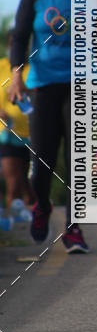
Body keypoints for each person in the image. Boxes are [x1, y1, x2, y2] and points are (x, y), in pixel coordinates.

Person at [9, 0, 97, 254]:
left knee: (79, 159)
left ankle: (73, 229)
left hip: (82, 85)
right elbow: (19, 37)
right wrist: (17, 74)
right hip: (43, 86)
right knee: (42, 160)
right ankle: (42, 204)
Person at [0, 32, 34, 210]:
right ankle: (13, 222)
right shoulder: (1, 67)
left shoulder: (35, 68)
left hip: (33, 136)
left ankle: (34, 218)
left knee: (30, 186)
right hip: (8, 134)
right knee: (13, 183)